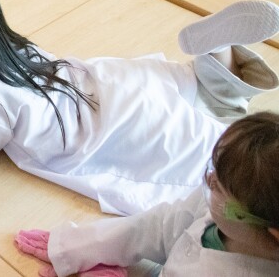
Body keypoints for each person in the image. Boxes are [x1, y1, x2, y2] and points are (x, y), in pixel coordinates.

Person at [0, 0, 279, 216]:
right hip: (111, 88)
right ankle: (216, 54)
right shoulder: (8, 48)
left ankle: (219, 62)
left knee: (218, 153)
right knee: (193, 94)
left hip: (108, 131)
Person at [15, 111, 279, 277]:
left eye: (218, 188)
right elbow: (160, 226)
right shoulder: (226, 210)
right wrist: (79, 246)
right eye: (213, 169)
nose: (209, 180)